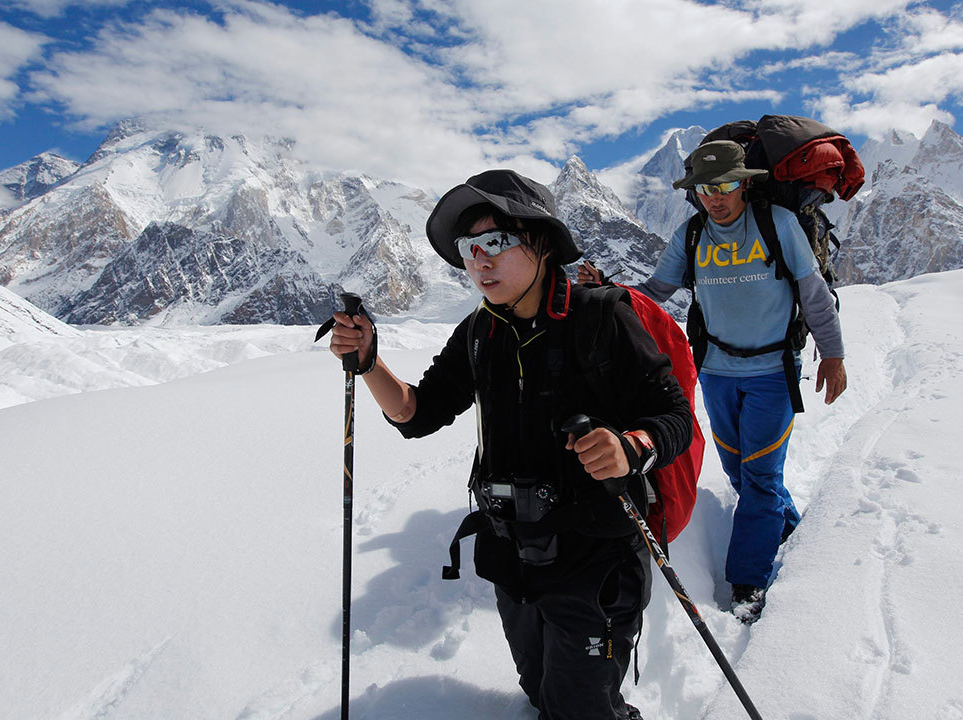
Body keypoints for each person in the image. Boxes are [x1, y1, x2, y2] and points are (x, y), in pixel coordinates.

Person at [328, 169, 692, 720]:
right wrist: (369, 363)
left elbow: (674, 415)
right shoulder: (480, 331)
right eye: (468, 247)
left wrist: (631, 446)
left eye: (495, 242)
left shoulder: (602, 317)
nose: (479, 260)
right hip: (513, 557)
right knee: (540, 688)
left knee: (583, 706)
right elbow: (416, 412)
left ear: (541, 242)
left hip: (595, 558)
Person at [578, 140, 847, 624]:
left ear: (745, 182)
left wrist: (833, 355)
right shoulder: (693, 233)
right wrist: (606, 293)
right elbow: (656, 293)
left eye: (724, 185)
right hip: (717, 374)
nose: (714, 197)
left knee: (761, 478)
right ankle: (795, 535)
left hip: (772, 373)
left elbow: (814, 296)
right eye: (704, 188)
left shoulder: (778, 226)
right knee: (742, 476)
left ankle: (748, 584)